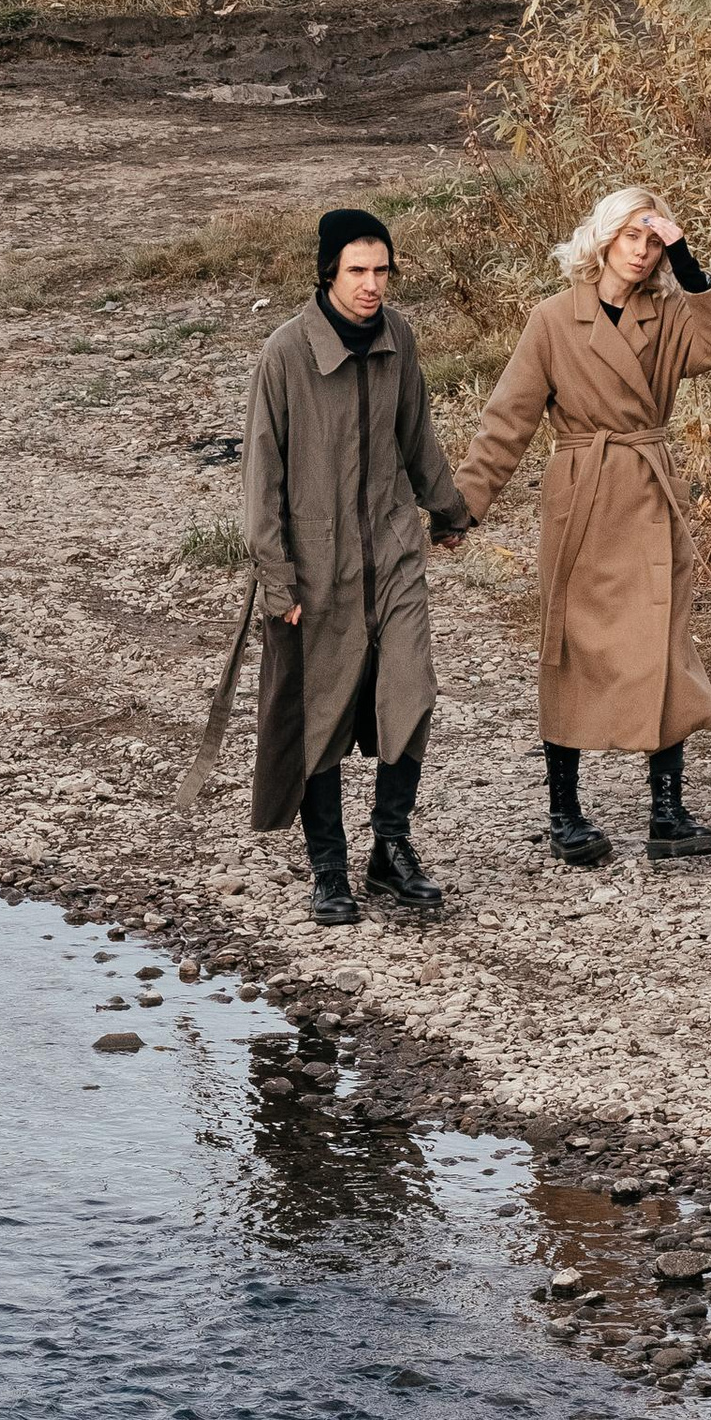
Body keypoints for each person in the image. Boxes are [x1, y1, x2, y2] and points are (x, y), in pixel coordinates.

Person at [444, 186, 711, 868]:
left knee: (663, 642)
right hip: (583, 498)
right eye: (632, 236)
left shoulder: (668, 315)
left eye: (654, 240)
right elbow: (508, 418)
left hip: (648, 490)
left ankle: (667, 811)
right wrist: (464, 506)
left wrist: (689, 263)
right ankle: (565, 811)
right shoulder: (553, 320)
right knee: (572, 645)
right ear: (605, 238)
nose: (642, 252)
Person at [242, 207, 469, 926]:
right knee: (323, 718)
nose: (373, 285)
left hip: (394, 555)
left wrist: (449, 508)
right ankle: (330, 871)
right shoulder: (285, 355)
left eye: (382, 270)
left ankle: (391, 851)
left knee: (412, 693)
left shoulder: (398, 337)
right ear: (327, 273)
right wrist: (279, 581)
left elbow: (416, 435)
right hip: (318, 570)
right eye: (357, 271)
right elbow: (261, 482)